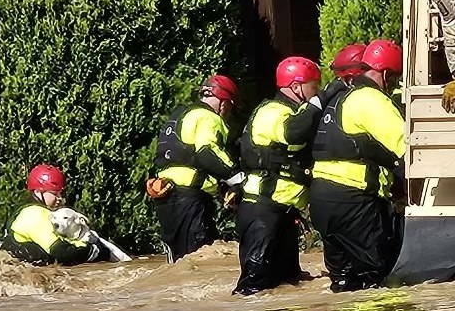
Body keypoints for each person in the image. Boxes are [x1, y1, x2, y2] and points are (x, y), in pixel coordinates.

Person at [233, 57, 345, 296]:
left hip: (283, 214)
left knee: (287, 284)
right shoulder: (272, 111)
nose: (316, 90)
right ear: (296, 87)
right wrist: (321, 99)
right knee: (254, 289)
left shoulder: (291, 112)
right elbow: (294, 132)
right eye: (313, 86)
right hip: (262, 213)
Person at [310, 39, 407, 292]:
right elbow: (407, 148)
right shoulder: (372, 100)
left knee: (344, 283)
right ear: (386, 74)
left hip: (321, 202)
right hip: (353, 204)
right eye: (394, 78)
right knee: (377, 277)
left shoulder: (342, 99)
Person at [147, 74, 242, 263]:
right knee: (199, 260)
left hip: (166, 198)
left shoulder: (179, 116)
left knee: (178, 262)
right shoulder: (208, 118)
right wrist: (236, 178)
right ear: (224, 103)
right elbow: (208, 153)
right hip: (190, 200)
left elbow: (186, 157)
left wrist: (220, 185)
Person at [1, 164, 105, 266]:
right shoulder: (35, 214)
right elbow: (62, 252)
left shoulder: (30, 211)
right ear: (38, 192)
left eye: (61, 193)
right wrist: (92, 250)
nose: (60, 198)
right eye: (54, 194)